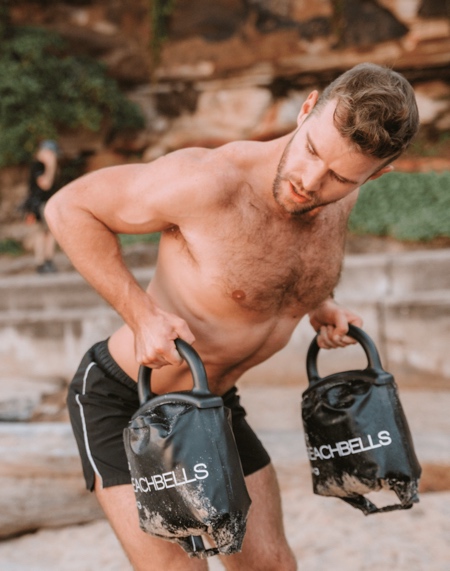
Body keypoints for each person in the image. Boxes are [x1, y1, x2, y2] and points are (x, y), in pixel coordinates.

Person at [45, 62, 419, 571]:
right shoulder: (207, 181)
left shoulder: (340, 196)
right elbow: (68, 209)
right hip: (128, 404)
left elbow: (282, 262)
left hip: (212, 404)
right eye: (312, 151)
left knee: (271, 566)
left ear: (376, 173)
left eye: (339, 176)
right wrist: (142, 314)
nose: (310, 181)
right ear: (307, 108)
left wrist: (319, 302)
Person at [22, 139, 61, 273]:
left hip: (48, 203)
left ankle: (48, 261)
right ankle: (41, 263)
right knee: (40, 234)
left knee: (50, 233)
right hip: (38, 205)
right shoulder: (38, 166)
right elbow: (45, 184)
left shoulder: (45, 166)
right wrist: (51, 167)